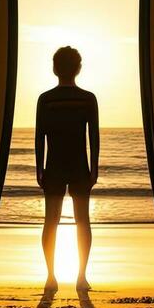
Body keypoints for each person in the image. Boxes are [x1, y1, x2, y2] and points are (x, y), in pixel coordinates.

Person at [35, 46, 99, 292]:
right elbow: (93, 136)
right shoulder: (87, 98)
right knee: (83, 220)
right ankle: (81, 276)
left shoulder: (46, 99)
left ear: (54, 68)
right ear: (78, 68)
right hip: (79, 166)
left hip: (54, 165)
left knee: (50, 220)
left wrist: (38, 168)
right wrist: (94, 168)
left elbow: (40, 136)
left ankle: (51, 276)